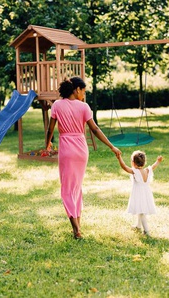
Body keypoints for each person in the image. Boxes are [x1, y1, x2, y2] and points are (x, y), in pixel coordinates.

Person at [46, 77, 121, 239]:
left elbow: (50, 129)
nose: (84, 94)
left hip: (66, 150)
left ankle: (76, 229)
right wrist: (111, 146)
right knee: (76, 187)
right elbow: (95, 129)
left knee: (67, 189)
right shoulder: (84, 107)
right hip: (81, 150)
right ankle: (78, 225)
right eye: (83, 91)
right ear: (77, 89)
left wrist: (48, 143)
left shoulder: (57, 105)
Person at [116, 150, 163, 236]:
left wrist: (119, 158)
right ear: (144, 162)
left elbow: (124, 167)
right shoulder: (147, 170)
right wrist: (158, 161)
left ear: (133, 163)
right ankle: (138, 225)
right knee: (140, 209)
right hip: (146, 194)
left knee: (141, 212)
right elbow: (154, 166)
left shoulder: (135, 171)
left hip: (139, 195)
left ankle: (146, 231)